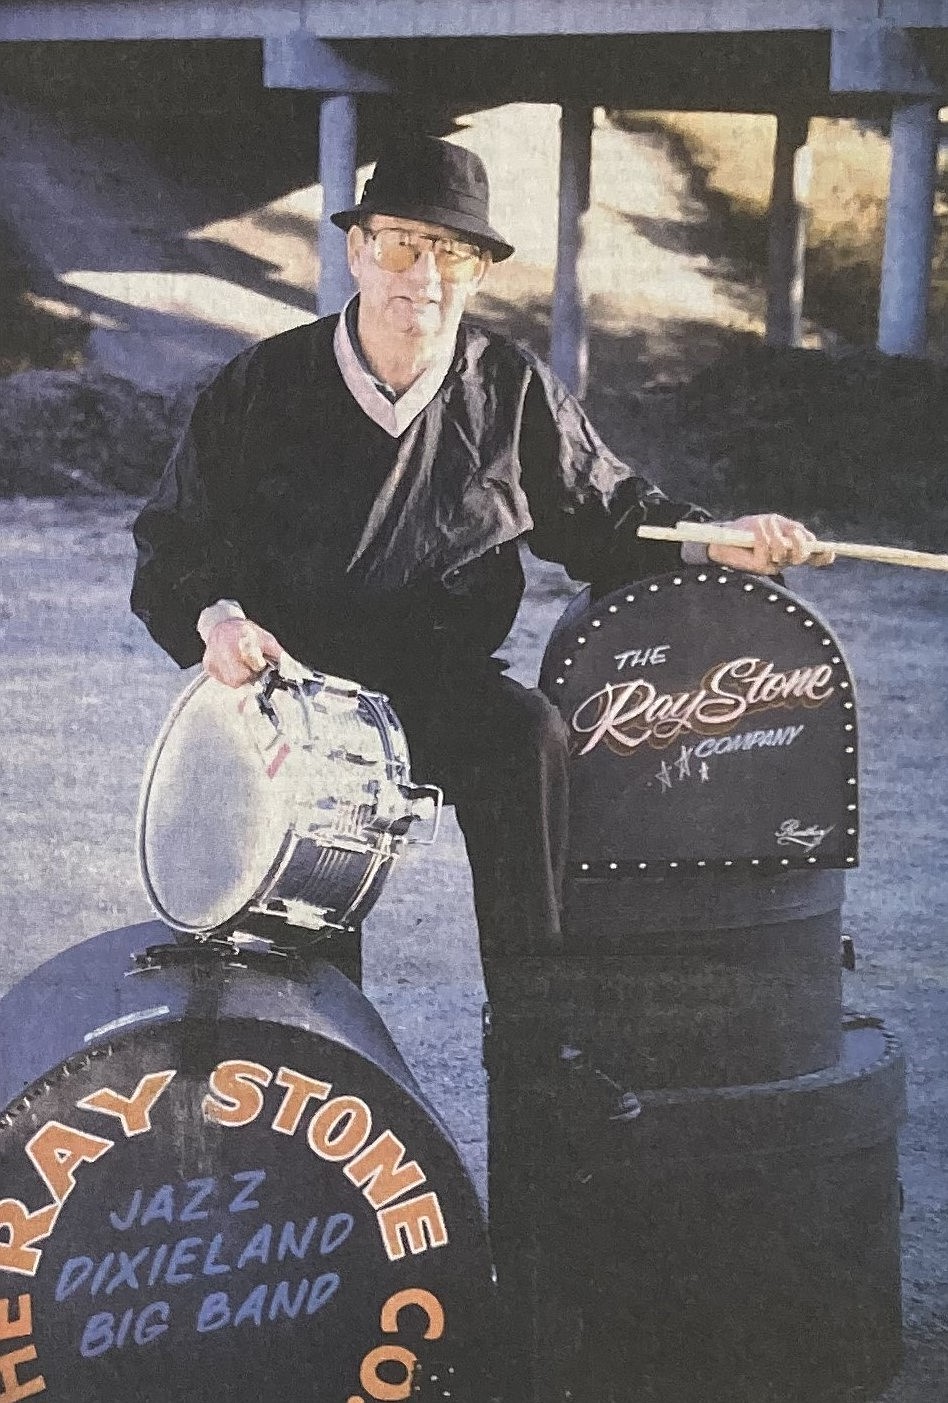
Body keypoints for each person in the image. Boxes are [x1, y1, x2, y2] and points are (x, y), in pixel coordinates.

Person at [130, 134, 831, 985]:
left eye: (450, 252)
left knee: (526, 735)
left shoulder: (510, 388)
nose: (421, 275)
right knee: (302, 956)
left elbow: (606, 515)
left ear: (480, 273)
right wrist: (222, 624)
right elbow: (174, 539)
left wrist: (720, 540)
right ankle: (327, 1066)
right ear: (357, 251)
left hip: (442, 688)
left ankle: (536, 1026)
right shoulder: (262, 386)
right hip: (300, 697)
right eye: (398, 244)